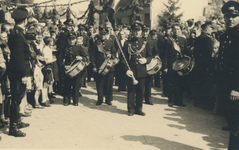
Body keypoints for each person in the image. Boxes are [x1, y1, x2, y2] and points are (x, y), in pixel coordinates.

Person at [215, 1, 239, 149]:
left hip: (236, 89)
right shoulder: (226, 35)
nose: (230, 19)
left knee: (236, 124)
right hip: (227, 86)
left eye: (234, 16)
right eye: (227, 16)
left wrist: (237, 88)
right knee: (232, 122)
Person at [7, 7, 31, 137]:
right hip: (18, 72)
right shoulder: (18, 35)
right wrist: (24, 74)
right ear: (25, 20)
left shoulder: (17, 33)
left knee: (18, 98)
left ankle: (17, 121)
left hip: (16, 71)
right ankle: (13, 127)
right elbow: (19, 58)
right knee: (16, 99)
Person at [122, 21, 153, 116]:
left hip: (142, 71)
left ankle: (139, 109)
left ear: (141, 31)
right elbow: (123, 58)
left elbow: (150, 56)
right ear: (132, 31)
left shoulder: (145, 43)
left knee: (140, 91)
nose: (137, 32)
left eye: (138, 30)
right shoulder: (128, 43)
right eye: (135, 30)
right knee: (131, 91)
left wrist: (146, 60)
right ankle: (131, 110)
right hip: (131, 70)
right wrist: (127, 69)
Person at [58, 31, 88, 106]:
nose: (71, 41)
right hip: (67, 69)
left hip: (76, 70)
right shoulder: (63, 48)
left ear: (75, 39)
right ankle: (66, 100)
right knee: (66, 85)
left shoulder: (79, 47)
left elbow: (86, 58)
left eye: (73, 39)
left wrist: (81, 57)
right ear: (67, 40)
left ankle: (75, 101)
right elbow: (59, 60)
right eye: (70, 39)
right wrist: (64, 65)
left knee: (76, 85)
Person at [162, 23, 187, 107]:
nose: (176, 31)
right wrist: (165, 67)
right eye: (175, 29)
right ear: (172, 31)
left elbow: (185, 53)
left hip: (180, 65)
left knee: (180, 83)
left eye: (178, 29)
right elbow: (165, 55)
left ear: (180, 30)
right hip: (171, 65)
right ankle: (171, 100)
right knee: (171, 83)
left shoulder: (183, 40)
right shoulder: (168, 41)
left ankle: (179, 101)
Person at [191, 21, 214, 109]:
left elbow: (195, 52)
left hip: (198, 63)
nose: (211, 30)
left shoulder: (198, 38)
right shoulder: (207, 39)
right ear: (205, 29)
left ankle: (197, 101)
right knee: (204, 83)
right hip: (204, 65)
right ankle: (202, 103)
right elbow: (208, 54)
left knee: (198, 82)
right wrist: (209, 66)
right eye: (210, 28)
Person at [91, 27, 116, 106]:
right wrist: (94, 66)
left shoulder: (110, 43)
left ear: (107, 35)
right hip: (99, 67)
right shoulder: (96, 44)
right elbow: (92, 56)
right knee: (100, 84)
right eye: (101, 34)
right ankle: (100, 99)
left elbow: (114, 53)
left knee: (109, 84)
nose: (103, 36)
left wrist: (111, 55)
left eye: (104, 34)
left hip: (109, 66)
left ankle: (108, 100)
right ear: (99, 34)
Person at [143, 29, 159, 105]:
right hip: (140, 63)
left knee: (148, 82)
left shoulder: (152, 41)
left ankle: (148, 99)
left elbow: (156, 51)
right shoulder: (139, 41)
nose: (145, 33)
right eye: (143, 31)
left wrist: (156, 56)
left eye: (146, 32)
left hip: (149, 63)